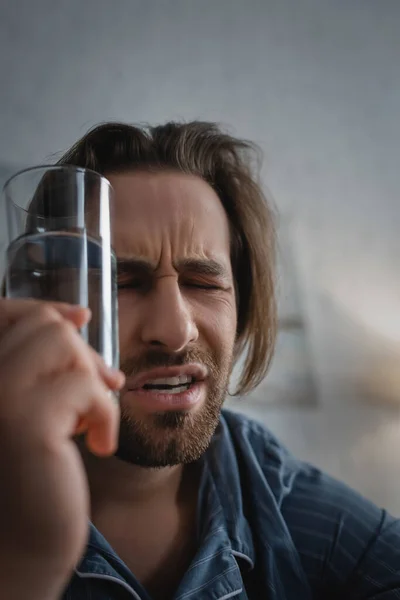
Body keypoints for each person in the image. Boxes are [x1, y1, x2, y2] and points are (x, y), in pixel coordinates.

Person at [0, 122, 399, 600]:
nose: (174, 330)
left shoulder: (298, 513)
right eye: (123, 282)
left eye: (204, 284)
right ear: (41, 307)